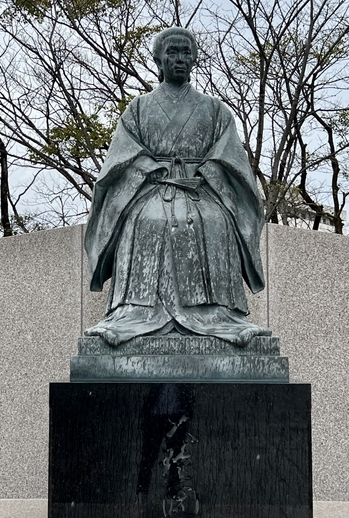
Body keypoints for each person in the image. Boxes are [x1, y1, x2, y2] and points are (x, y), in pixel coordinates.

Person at [83, 26, 269, 347]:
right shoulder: (138, 108)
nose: (179, 59)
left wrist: (204, 173)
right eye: (172, 52)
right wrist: (150, 168)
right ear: (159, 59)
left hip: (201, 190)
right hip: (153, 188)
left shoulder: (215, 110)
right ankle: (133, 310)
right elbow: (123, 154)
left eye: (186, 52)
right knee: (146, 220)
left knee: (214, 220)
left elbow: (229, 157)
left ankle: (220, 312)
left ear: (194, 59)